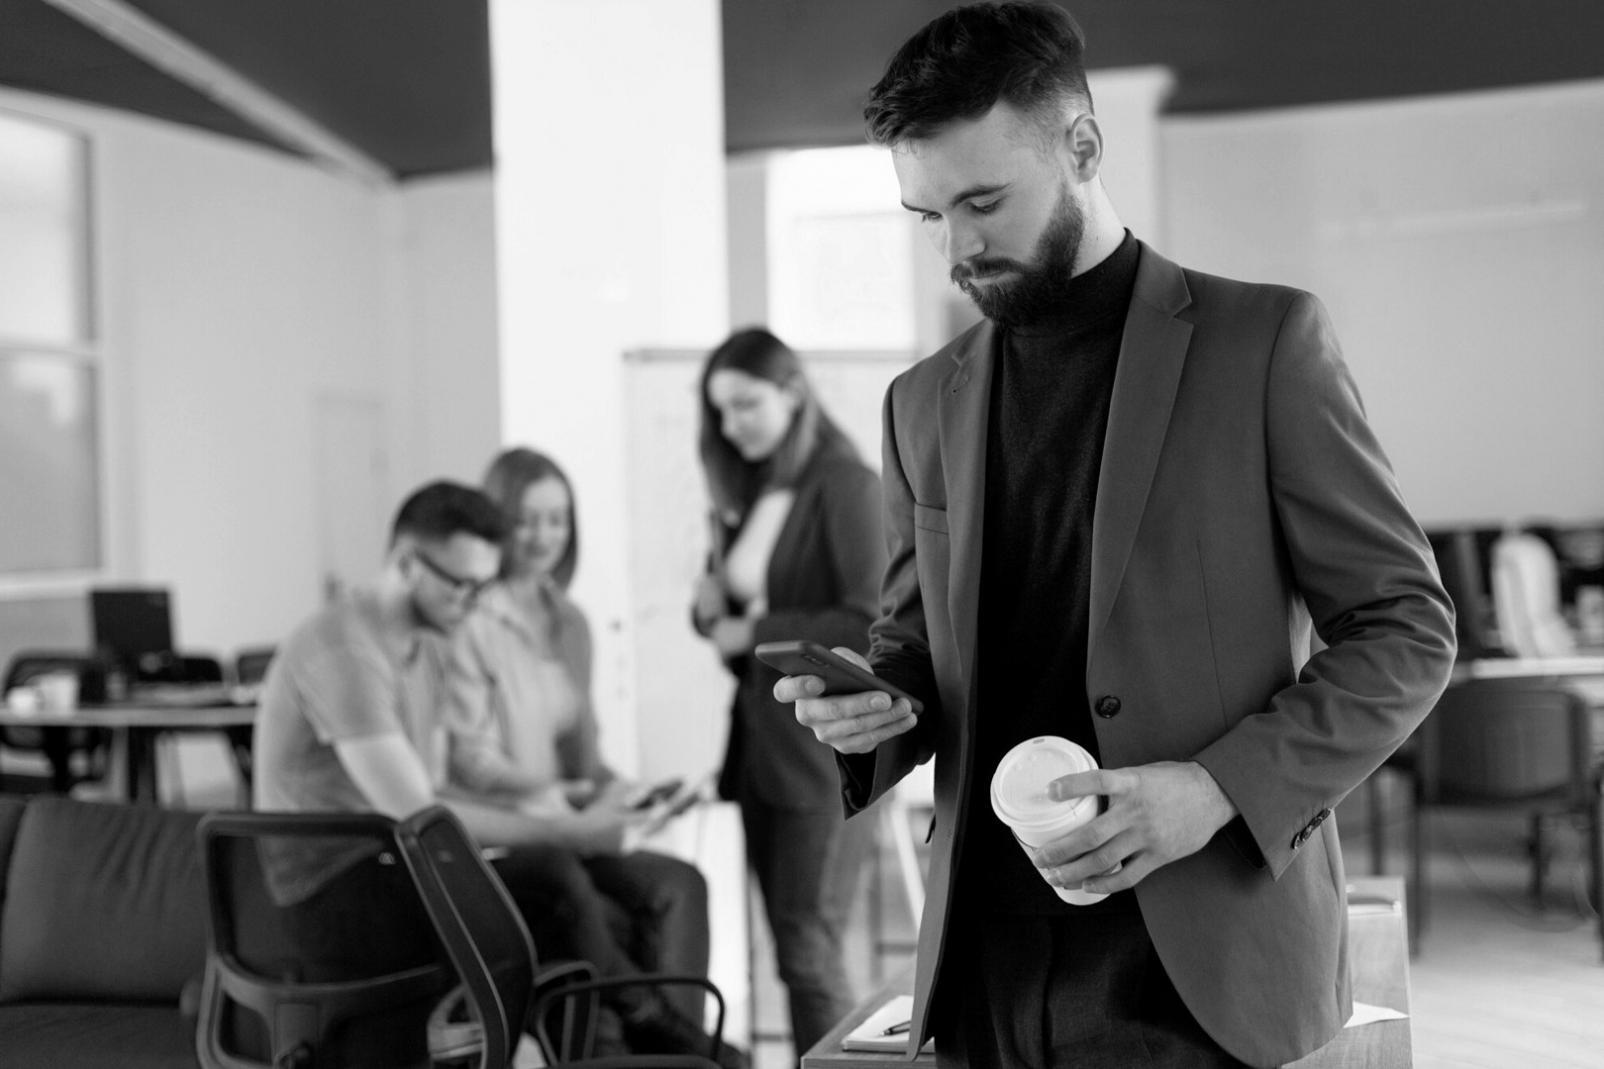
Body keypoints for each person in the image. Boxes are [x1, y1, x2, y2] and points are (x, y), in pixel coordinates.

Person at [772, 5, 1459, 1068]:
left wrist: (1215, 788)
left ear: (1082, 147)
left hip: (1197, 959)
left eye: (982, 202)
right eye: (926, 216)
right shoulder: (919, 402)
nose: (956, 247)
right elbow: (913, 638)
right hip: (984, 965)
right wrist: (879, 701)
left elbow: (1404, 629)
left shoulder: (1263, 343)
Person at [254, 480, 744, 1067]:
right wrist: (571, 832)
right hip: (332, 887)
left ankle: (642, 1041)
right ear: (407, 565)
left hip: (394, 863)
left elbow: (432, 790)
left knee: (616, 883)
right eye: (461, 584)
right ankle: (654, 1035)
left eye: (482, 586)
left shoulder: (423, 647)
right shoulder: (344, 650)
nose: (471, 601)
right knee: (551, 879)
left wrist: (549, 803)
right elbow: (421, 817)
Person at [445, 445, 712, 1024]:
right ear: (497, 522)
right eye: (528, 519)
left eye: (557, 519)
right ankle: (669, 1041)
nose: (545, 536)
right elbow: (470, 762)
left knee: (680, 885)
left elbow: (586, 760)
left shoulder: (571, 622)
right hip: (513, 833)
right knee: (600, 912)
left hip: (570, 828)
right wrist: (563, 797)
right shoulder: (468, 621)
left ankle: (688, 1054)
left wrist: (629, 792)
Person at [689, 327, 886, 1057]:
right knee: (792, 949)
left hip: (822, 751)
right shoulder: (754, 488)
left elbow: (866, 621)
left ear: (793, 393)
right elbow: (730, 612)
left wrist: (753, 631)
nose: (731, 424)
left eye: (746, 404)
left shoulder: (845, 484)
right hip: (761, 751)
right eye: (719, 411)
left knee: (808, 946)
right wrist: (709, 609)